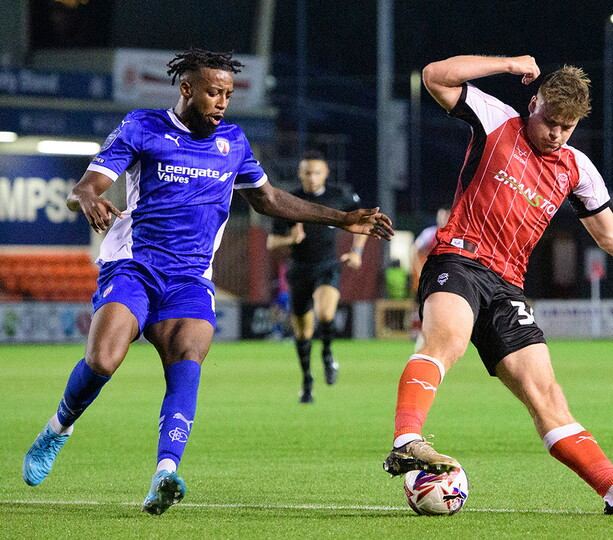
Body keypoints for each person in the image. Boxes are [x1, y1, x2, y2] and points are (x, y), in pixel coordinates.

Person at [21, 48, 393, 515]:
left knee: (189, 358)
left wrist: (341, 219)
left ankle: (165, 472)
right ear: (186, 89)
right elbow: (88, 185)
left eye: (229, 94)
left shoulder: (233, 142)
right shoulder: (144, 127)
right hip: (135, 266)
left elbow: (269, 199)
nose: (222, 102)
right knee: (103, 359)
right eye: (214, 92)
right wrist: (86, 198)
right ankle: (58, 429)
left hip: (191, 279)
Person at [381, 55, 613, 517]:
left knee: (548, 397)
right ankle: (407, 440)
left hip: (507, 287)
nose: (556, 134)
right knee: (448, 339)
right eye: (549, 122)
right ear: (533, 105)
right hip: (459, 258)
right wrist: (506, 64)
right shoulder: (496, 119)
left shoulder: (576, 167)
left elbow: (611, 235)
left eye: (567, 127)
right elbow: (432, 77)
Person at [267, 151, 367, 400]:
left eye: (317, 172)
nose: (312, 177)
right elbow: (271, 242)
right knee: (302, 333)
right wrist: (291, 238)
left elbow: (364, 221)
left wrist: (356, 251)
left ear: (326, 174)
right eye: (307, 172)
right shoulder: (289, 200)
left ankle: (328, 354)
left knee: (325, 314)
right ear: (300, 174)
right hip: (299, 269)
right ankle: (307, 380)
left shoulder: (339, 195)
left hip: (327, 266)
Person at [409, 207, 450, 348]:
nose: (442, 218)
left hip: (446, 278)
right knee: (423, 305)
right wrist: (419, 270)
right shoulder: (430, 233)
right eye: (440, 215)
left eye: (444, 215)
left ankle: (434, 335)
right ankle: (418, 334)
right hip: (430, 277)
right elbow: (415, 249)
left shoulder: (454, 234)